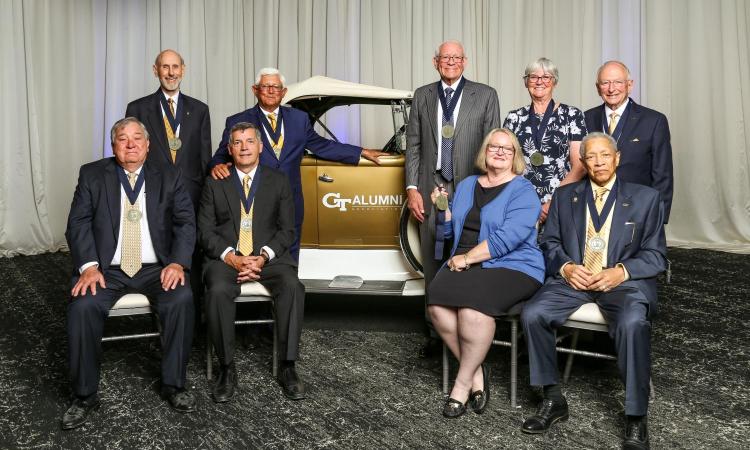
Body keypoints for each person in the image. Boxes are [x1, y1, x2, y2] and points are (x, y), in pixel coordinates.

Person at [520, 132, 666, 449]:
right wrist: (566, 267)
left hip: (620, 284)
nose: (598, 162)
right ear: (582, 162)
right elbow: (549, 243)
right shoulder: (565, 196)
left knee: (631, 323)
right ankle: (552, 397)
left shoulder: (645, 198)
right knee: (533, 314)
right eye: (590, 156)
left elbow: (656, 256)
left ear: (617, 158)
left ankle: (636, 417)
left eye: (604, 155)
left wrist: (621, 272)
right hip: (576, 280)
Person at [62, 118, 197, 430]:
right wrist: (89, 266)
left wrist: (177, 263)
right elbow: (78, 223)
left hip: (156, 268)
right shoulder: (92, 174)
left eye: (138, 138)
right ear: (113, 146)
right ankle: (84, 395)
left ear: (148, 146)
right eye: (123, 139)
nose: (131, 144)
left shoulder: (169, 175)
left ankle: (173, 385)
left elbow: (185, 223)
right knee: (83, 305)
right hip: (106, 268)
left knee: (182, 298)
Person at [208, 68, 387, 260]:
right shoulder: (238, 120)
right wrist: (216, 165)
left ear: (283, 92)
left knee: (290, 251)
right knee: (256, 252)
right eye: (265, 86)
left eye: (275, 87)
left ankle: (289, 287)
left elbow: (322, 145)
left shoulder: (299, 119)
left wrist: (360, 152)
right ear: (255, 90)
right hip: (252, 201)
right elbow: (221, 155)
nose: (270, 91)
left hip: (290, 199)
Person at [428, 128, 544, 417]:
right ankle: (477, 373)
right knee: (437, 305)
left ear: (515, 156)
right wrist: (443, 211)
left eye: (508, 149)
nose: (500, 152)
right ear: (485, 151)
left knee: (471, 312)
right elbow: (450, 231)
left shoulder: (524, 191)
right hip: (464, 260)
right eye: (495, 147)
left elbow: (508, 239)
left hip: (513, 265)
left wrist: (467, 259)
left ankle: (462, 384)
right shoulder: (467, 184)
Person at [405, 40, 501, 357]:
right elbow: (415, 146)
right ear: (436, 62)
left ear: (465, 61)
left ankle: (469, 330)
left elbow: (493, 147)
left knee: (469, 256)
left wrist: (489, 191)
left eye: (456, 57)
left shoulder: (485, 95)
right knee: (433, 260)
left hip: (472, 188)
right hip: (432, 186)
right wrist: (412, 190)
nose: (451, 62)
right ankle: (435, 332)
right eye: (445, 57)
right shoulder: (422, 95)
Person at [199, 122, 306, 401]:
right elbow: (205, 231)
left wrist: (263, 257)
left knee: (292, 285)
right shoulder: (214, 181)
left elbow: (287, 230)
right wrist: (232, 258)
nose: (244, 147)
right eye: (237, 142)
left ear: (260, 147)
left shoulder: (278, 180)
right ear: (229, 149)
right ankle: (226, 367)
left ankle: (288, 365)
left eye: (249, 141)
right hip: (226, 259)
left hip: (268, 258)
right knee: (218, 290)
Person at [125, 49, 212, 316]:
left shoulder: (199, 110)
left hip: (191, 194)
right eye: (165, 67)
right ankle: (162, 311)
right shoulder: (137, 108)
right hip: (154, 194)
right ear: (156, 70)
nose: (171, 72)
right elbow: (133, 154)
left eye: (175, 67)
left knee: (192, 253)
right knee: (160, 249)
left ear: (183, 70)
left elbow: (204, 158)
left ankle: (192, 317)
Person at [584, 61, 673, 223]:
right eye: (605, 83)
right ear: (598, 88)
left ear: (629, 85)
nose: (612, 89)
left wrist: (658, 218)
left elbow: (663, 175)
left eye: (618, 82)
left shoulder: (654, 121)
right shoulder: (585, 119)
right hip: (594, 208)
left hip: (637, 209)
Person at [503, 57, 588, 224]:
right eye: (533, 77)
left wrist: (553, 202)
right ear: (526, 82)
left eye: (546, 77)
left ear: (554, 82)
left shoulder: (573, 115)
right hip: (521, 202)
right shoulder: (514, 117)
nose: (539, 82)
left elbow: (580, 166)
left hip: (562, 201)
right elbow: (506, 165)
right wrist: (528, 203)